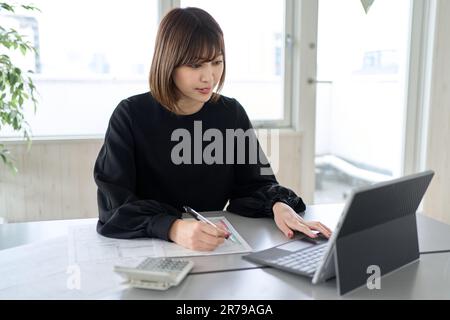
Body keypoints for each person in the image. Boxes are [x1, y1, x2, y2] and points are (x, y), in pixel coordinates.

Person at [93, 7, 331, 251]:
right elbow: (114, 208)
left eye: (216, 62)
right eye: (196, 66)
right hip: (149, 246)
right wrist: (172, 227)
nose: (209, 77)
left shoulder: (230, 113)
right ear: (168, 63)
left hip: (215, 247)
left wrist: (278, 206)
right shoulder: (130, 115)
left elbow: (254, 184)